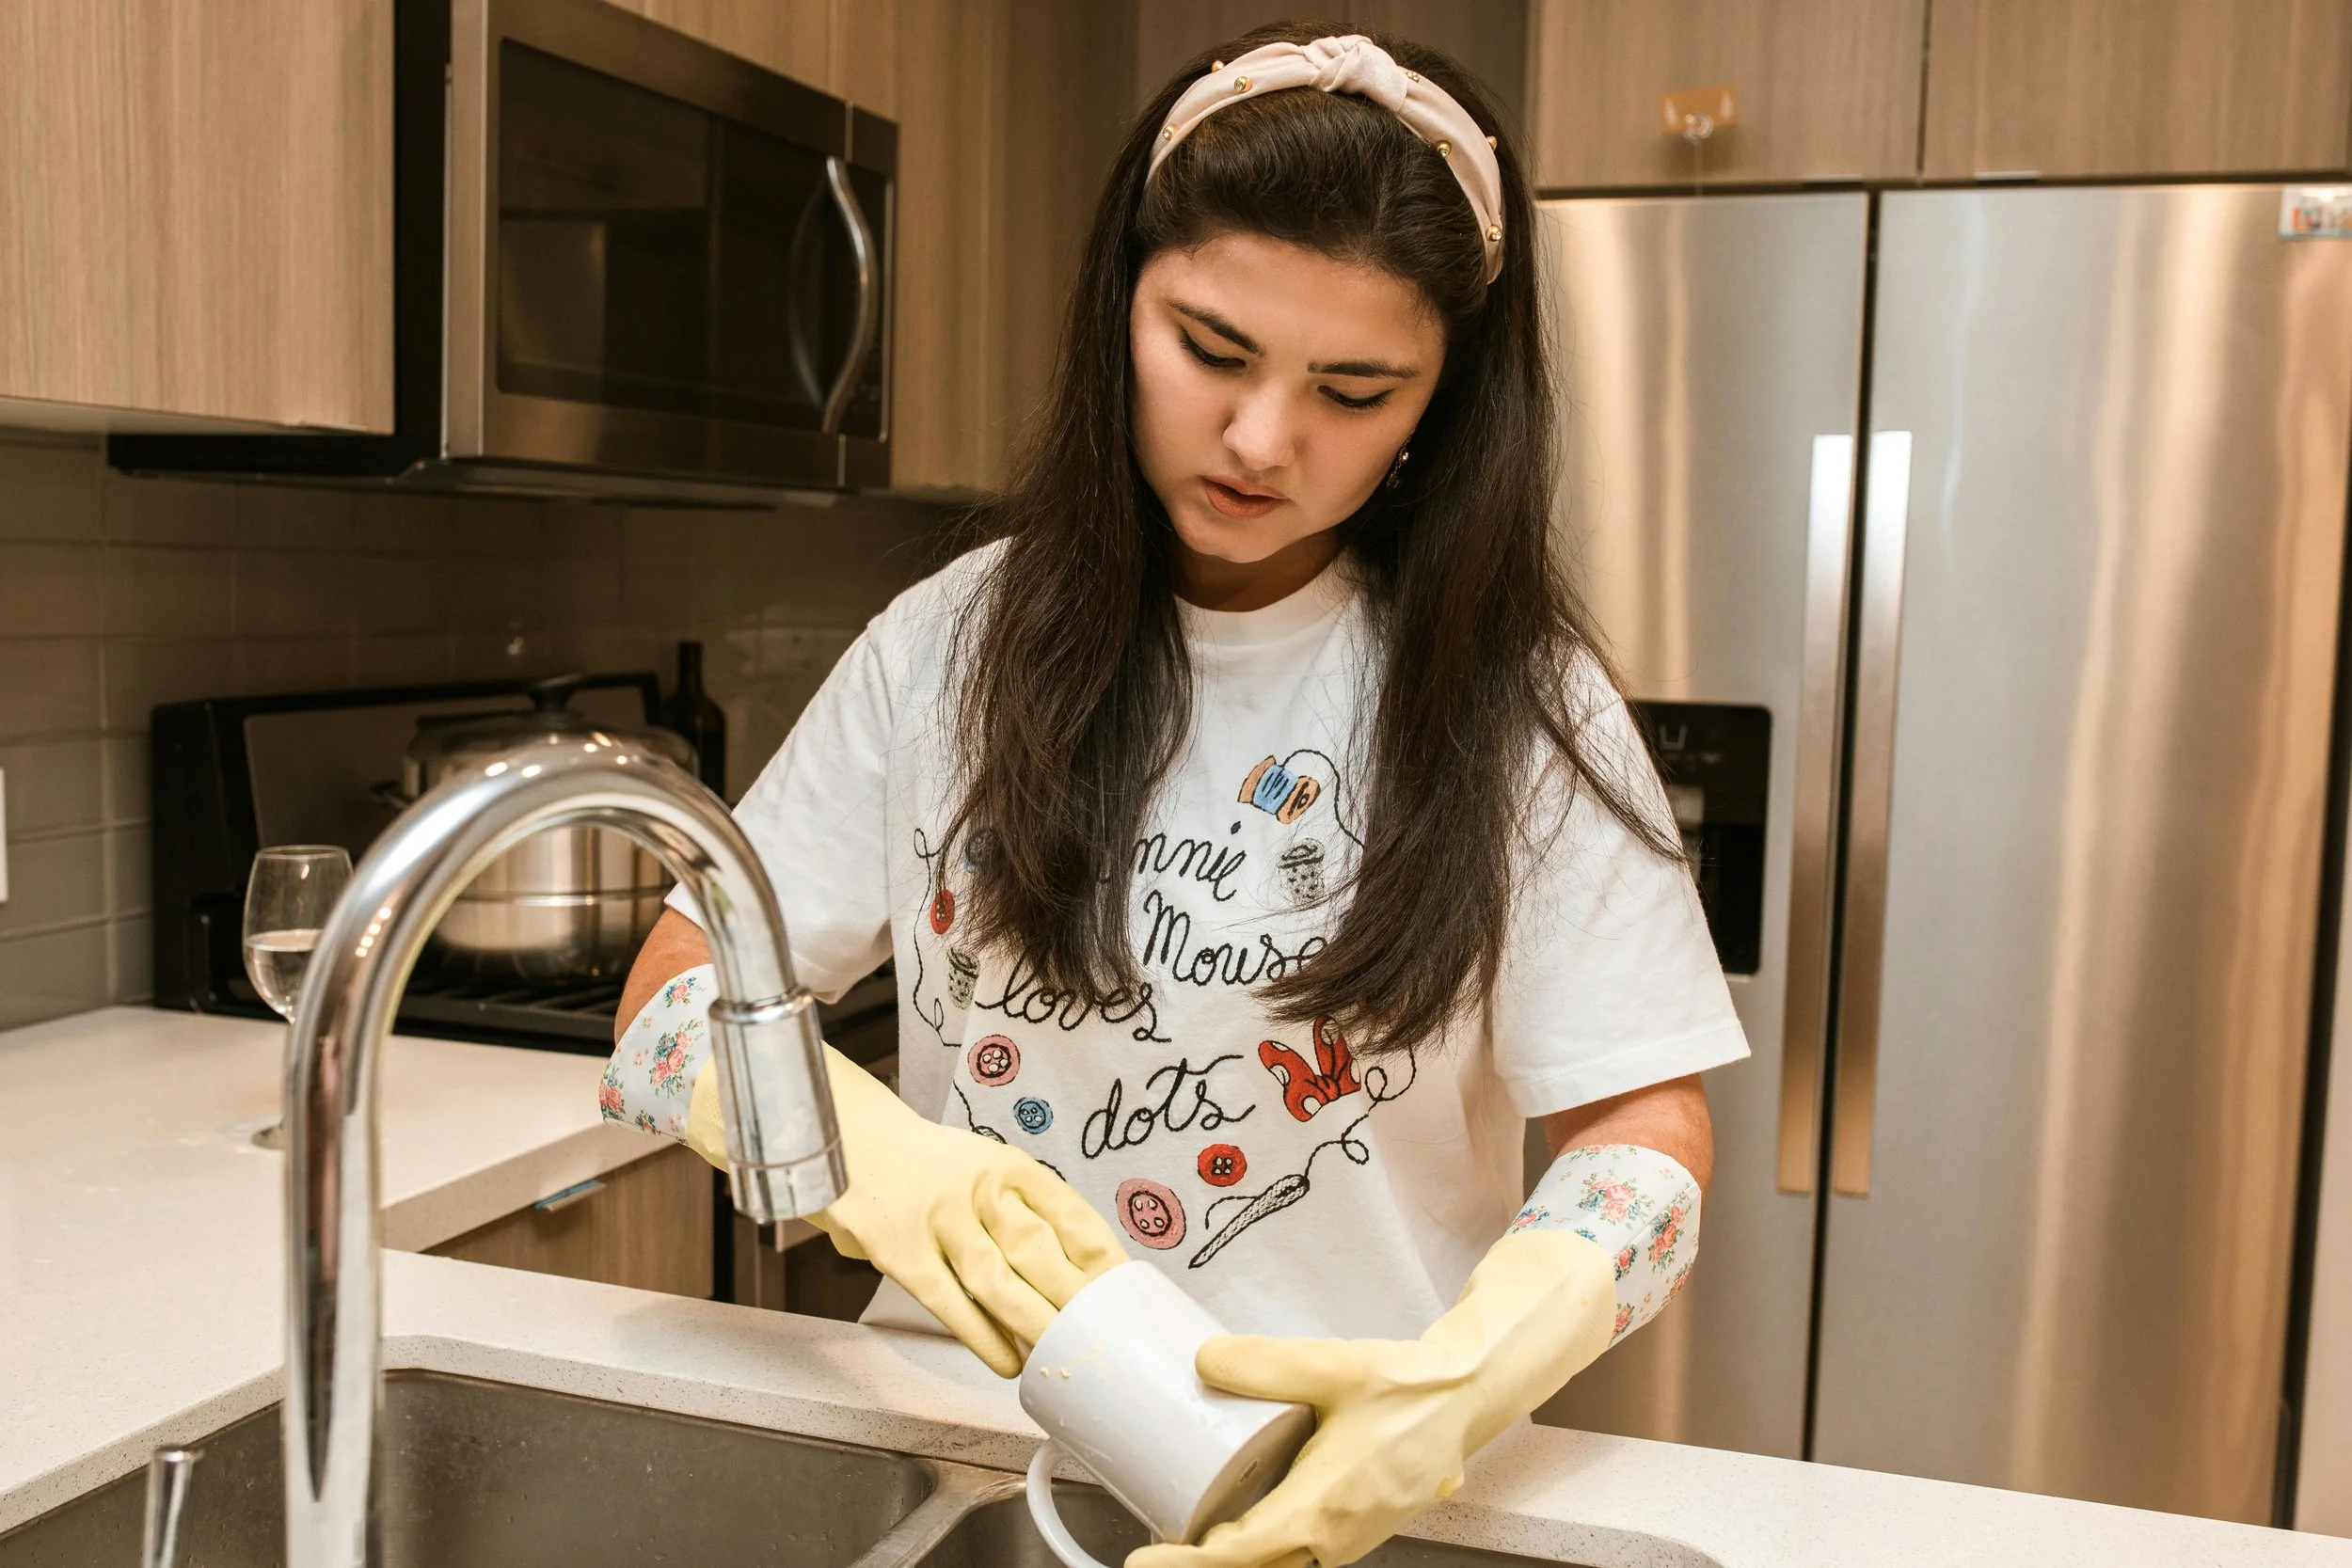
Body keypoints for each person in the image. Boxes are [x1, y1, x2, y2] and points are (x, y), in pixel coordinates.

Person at [603, 25, 1748, 1568]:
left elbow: (1643, 1117)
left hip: (1359, 1482)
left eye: (1355, 389)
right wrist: (876, 1160)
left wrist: (1474, 1373)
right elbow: (675, 996)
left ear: (1442, 404)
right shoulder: (947, 646)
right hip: (963, 1451)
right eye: (1211, 350)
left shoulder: (1516, 704)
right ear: (1118, 306)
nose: (1264, 440)